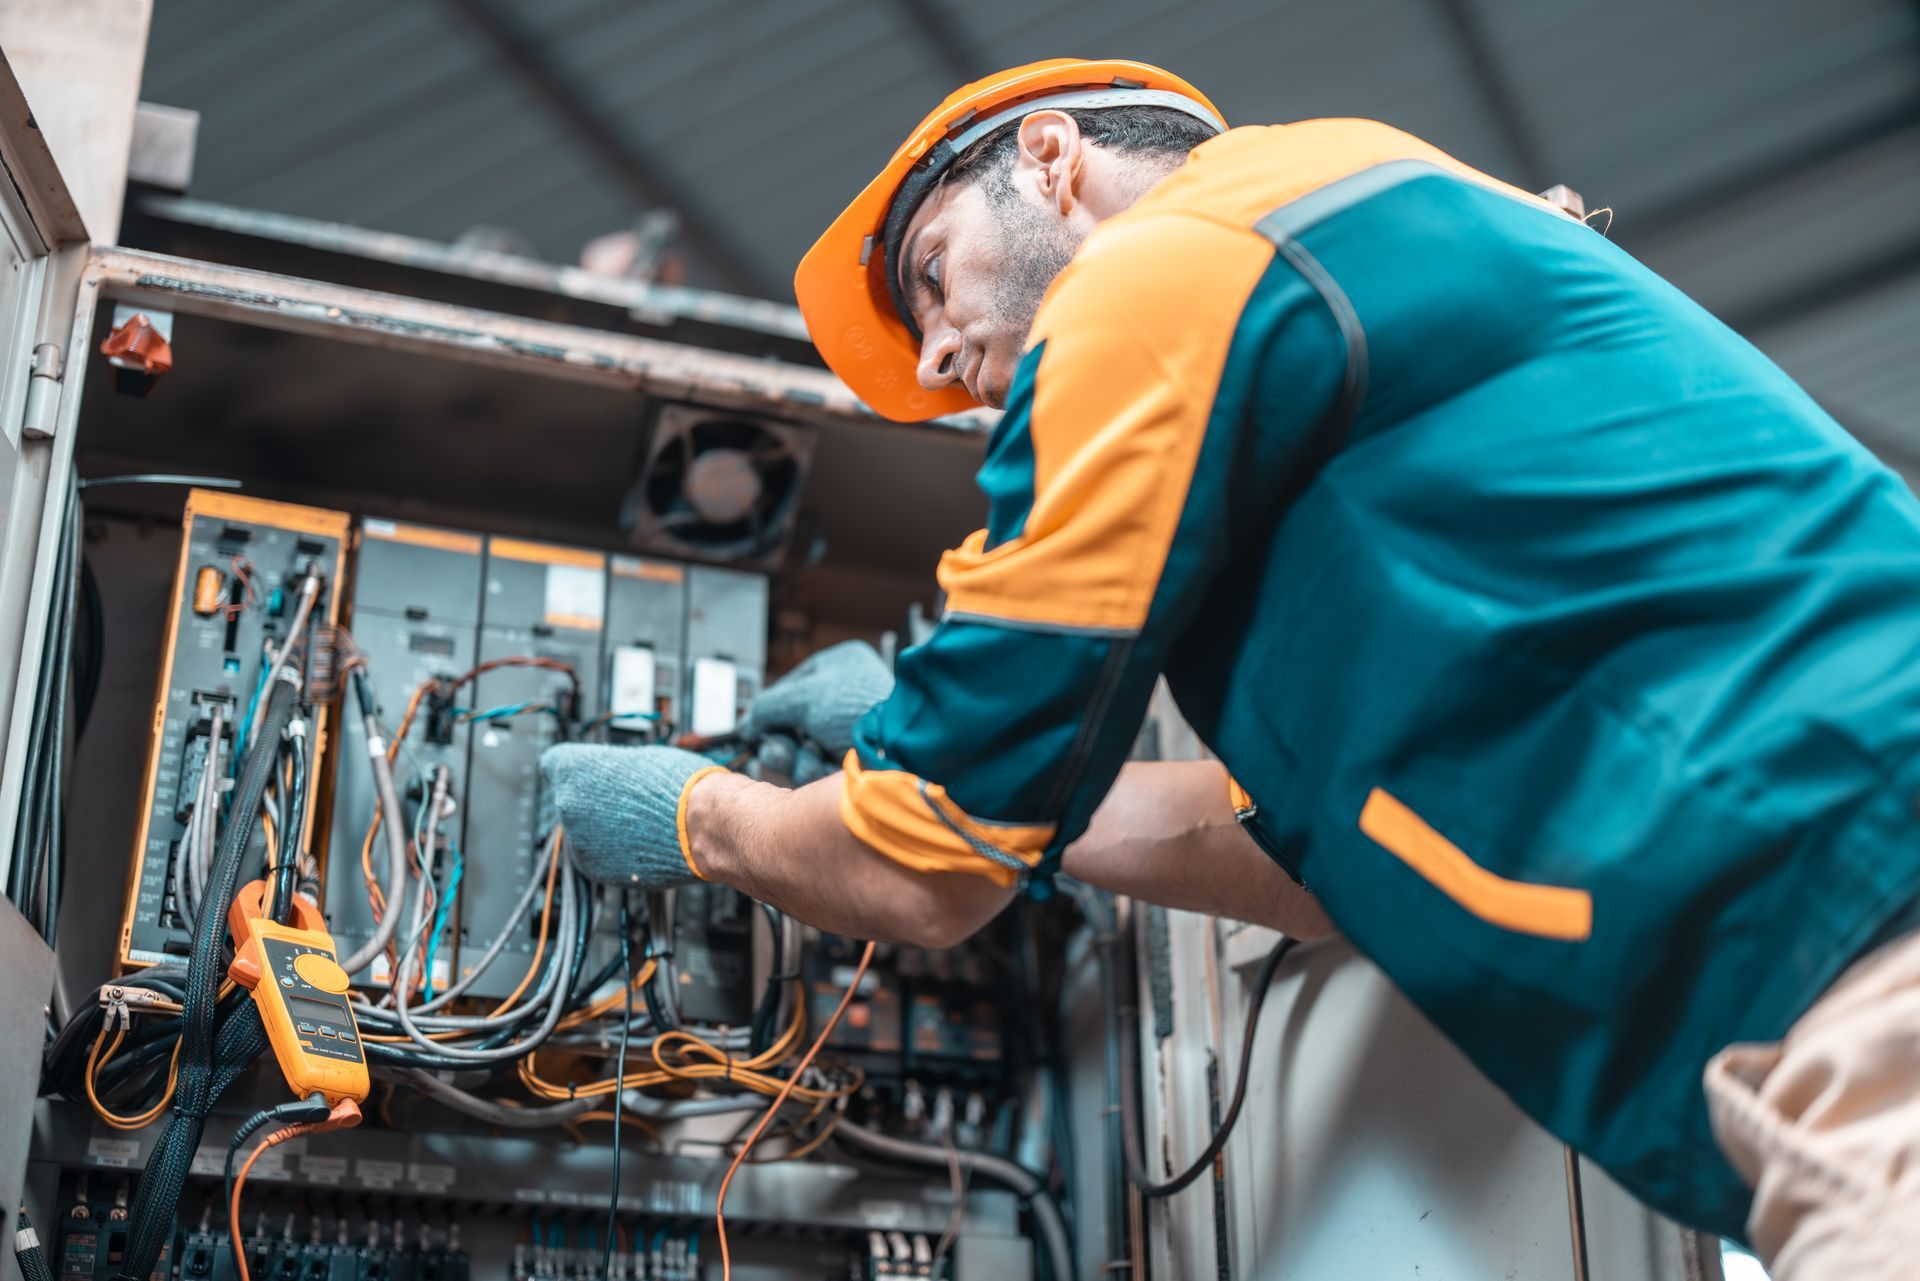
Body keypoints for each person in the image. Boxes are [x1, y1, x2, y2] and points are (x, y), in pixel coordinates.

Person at [543, 58, 1920, 1278]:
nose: (947, 359)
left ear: (1051, 158)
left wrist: (693, 813)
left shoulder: (1165, 272)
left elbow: (924, 867)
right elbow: (1321, 866)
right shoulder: (1342, 253)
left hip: (1854, 946)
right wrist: (1016, 795)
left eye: (933, 277)